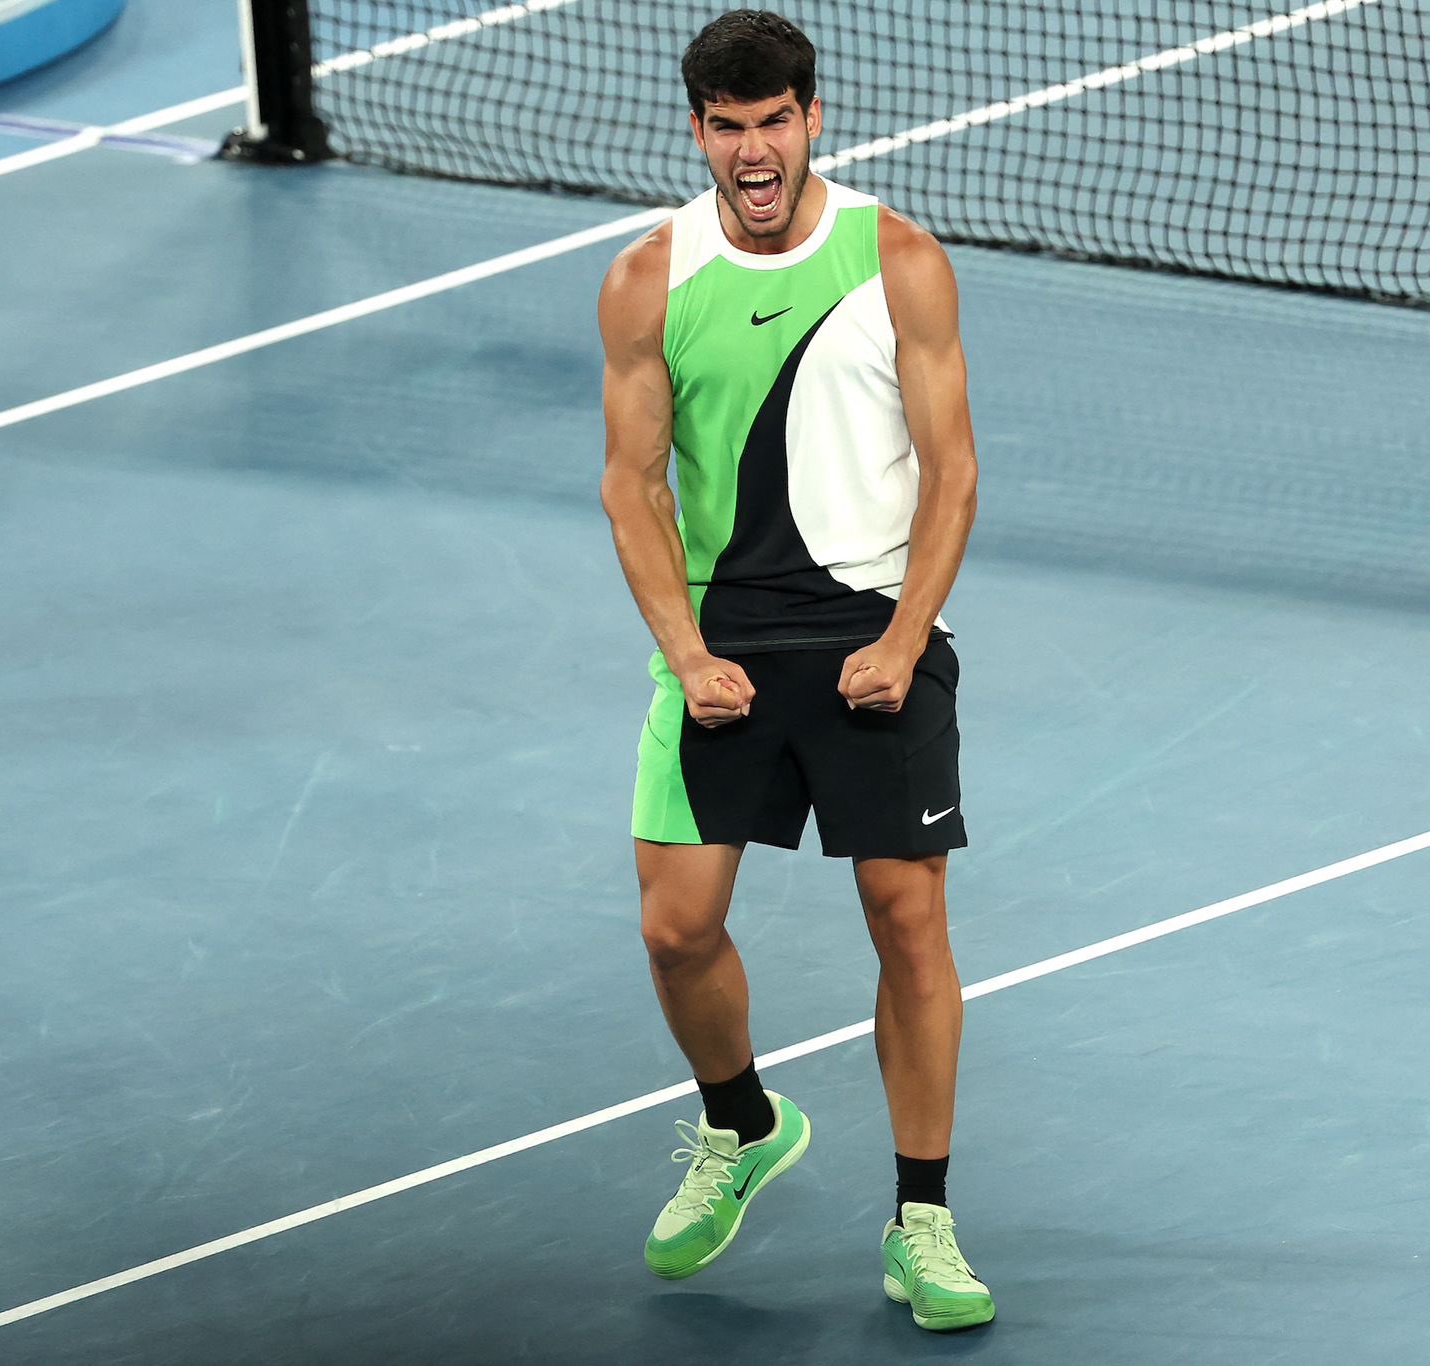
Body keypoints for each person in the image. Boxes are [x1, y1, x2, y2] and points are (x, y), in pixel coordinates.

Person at [597, 9, 992, 1332]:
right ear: (698, 131)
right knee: (675, 925)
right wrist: (686, 651)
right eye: (730, 127)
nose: (754, 151)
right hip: (723, 640)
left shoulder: (900, 263)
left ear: (814, 119)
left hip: (874, 621)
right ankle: (743, 1122)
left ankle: (923, 1219)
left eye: (775, 122)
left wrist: (903, 639)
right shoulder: (648, 279)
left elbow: (954, 474)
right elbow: (632, 484)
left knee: (906, 915)